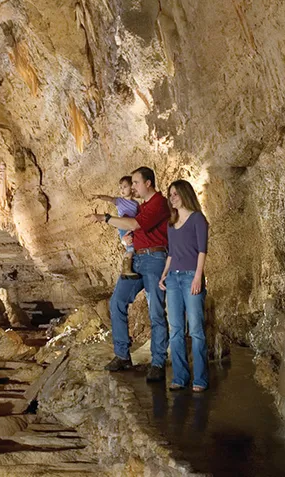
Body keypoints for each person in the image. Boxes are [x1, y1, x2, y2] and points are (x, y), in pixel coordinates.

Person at [87, 166, 170, 382]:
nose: (132, 187)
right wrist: (127, 238)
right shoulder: (142, 206)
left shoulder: (159, 203)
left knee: (156, 310)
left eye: (135, 182)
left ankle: (158, 362)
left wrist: (105, 218)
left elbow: (134, 224)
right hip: (137, 260)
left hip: (154, 259)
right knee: (117, 301)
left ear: (148, 183)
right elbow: (134, 227)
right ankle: (122, 355)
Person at [158, 179, 209, 392]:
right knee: (176, 329)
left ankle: (200, 379)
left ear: (185, 195)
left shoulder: (198, 219)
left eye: (175, 194)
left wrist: (198, 277)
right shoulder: (171, 223)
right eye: (170, 195)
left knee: (196, 329)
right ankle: (180, 376)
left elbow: (202, 250)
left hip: (190, 277)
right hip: (173, 279)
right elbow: (171, 254)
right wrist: (163, 275)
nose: (172, 198)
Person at [92, 176, 140, 278]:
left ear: (132, 187)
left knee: (133, 247)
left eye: (125, 187)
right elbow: (110, 199)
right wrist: (100, 196)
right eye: (120, 187)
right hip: (123, 226)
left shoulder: (136, 204)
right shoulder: (119, 201)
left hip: (132, 227)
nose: (122, 189)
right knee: (130, 248)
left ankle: (129, 267)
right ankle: (126, 269)